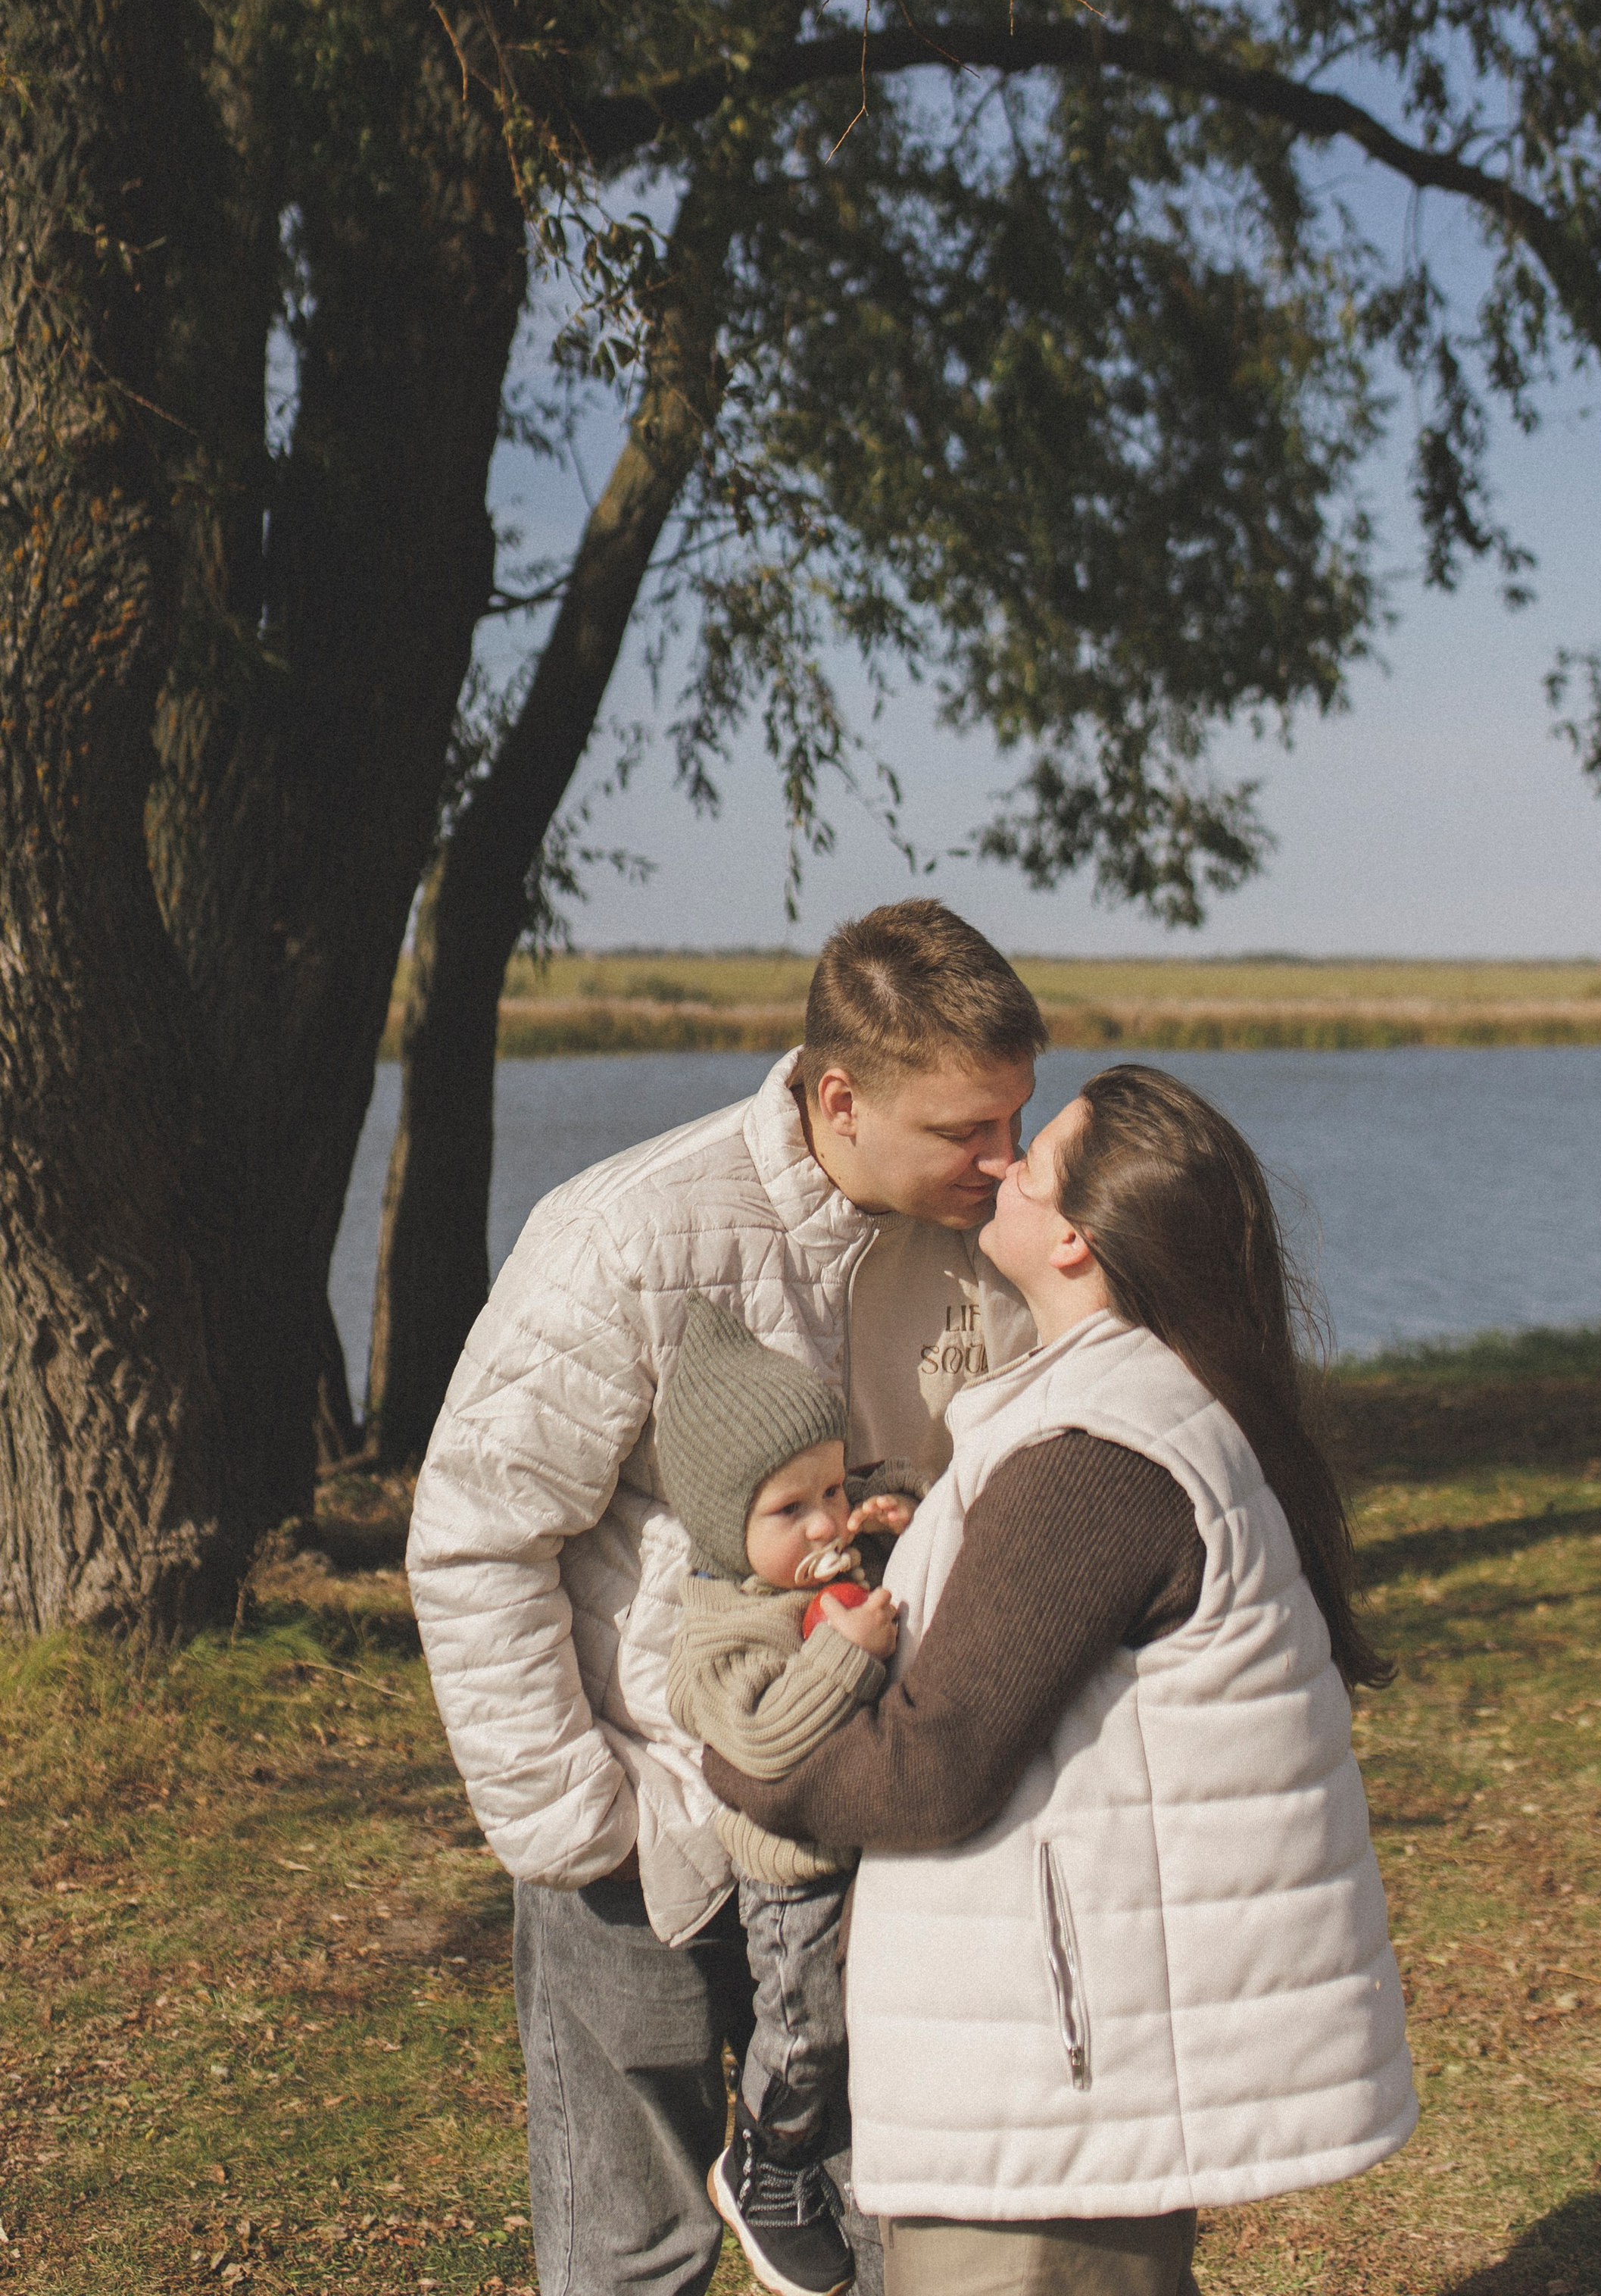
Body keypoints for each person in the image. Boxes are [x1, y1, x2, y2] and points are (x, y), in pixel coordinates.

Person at [406, 901, 1044, 2296]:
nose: (1007, 1162)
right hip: (655, 1836)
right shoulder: (628, 1236)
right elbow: (474, 1540)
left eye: (1018, 1119)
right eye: (966, 1132)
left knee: (893, 2234)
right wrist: (583, 1827)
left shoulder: (993, 1242)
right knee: (637, 2250)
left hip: (885, 1828)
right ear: (839, 1098)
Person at [706, 1064, 1416, 2296]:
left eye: (1031, 1163)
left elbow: (934, 1772)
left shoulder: (1099, 1455)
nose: (999, 1164)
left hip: (1051, 2080)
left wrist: (748, 1754)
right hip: (1078, 2059)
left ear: (1079, 1238)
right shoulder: (1151, 1406)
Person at [657, 1292, 917, 2296]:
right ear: (727, 1528)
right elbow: (763, 1739)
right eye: (791, 1509)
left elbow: (861, 1528)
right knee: (807, 2030)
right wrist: (843, 1658)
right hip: (792, 1876)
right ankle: (765, 2164)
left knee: (863, 2032)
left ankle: (817, 2160)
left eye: (832, 1489)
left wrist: (892, 1518)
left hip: (864, 1858)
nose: (827, 1523)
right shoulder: (718, 1635)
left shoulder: (819, 1568)